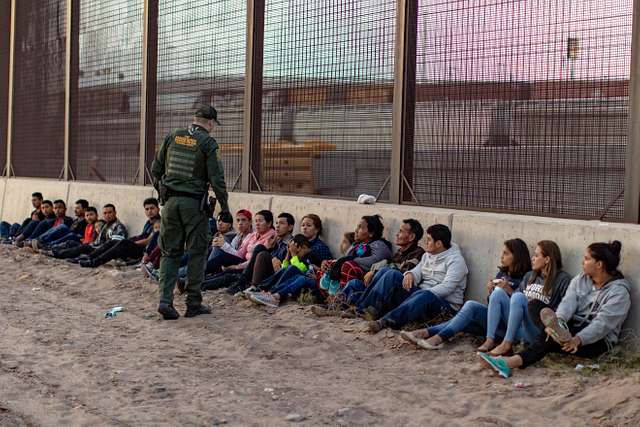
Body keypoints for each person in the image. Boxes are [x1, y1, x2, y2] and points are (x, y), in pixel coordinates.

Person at [479, 241, 632, 378]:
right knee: (534, 306)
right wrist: (559, 322)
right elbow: (567, 303)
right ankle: (557, 332)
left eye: (586, 259)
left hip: (596, 341)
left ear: (599, 264)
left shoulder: (619, 293)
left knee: (550, 337)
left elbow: (602, 325)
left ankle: (511, 362)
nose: (582, 262)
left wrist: (577, 339)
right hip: (570, 329)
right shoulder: (580, 279)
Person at [152, 104, 230, 320]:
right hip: (194, 206)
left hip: (170, 205)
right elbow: (217, 180)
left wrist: (163, 195)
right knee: (197, 253)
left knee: (169, 253)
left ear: (194, 118)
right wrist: (225, 208)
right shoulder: (208, 142)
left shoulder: (172, 136)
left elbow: (155, 170)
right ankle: (193, 303)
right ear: (211, 123)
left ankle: (165, 301)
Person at [400, 238, 531, 350]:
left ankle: (436, 338)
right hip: (493, 323)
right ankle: (425, 333)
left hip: (508, 328)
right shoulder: (502, 274)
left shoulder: (526, 277)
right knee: (465, 314)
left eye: (506, 253)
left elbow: (522, 307)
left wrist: (508, 290)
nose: (502, 256)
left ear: (517, 257)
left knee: (469, 309)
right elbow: (492, 304)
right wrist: (491, 291)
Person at [249, 215, 392, 308]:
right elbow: (341, 262)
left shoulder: (379, 245)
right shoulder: (356, 247)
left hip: (344, 286)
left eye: (361, 227)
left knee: (299, 275)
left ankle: (273, 295)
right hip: (326, 279)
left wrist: (335, 263)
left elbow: (366, 262)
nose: (356, 229)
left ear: (371, 233)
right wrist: (331, 263)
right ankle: (266, 291)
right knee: (294, 271)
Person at [364, 224, 468, 333]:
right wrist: (410, 274)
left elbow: (447, 288)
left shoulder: (456, 261)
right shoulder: (428, 255)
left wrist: (419, 294)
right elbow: (417, 272)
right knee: (392, 274)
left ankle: (387, 321)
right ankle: (365, 310)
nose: (425, 243)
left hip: (444, 306)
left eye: (428, 240)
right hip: (420, 297)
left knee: (425, 295)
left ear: (438, 244)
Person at [224, 212, 295, 295]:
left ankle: (251, 286)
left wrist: (273, 257)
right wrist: (269, 249)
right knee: (260, 248)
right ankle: (244, 283)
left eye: (282, 223)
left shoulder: (292, 243)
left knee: (260, 249)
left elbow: (284, 265)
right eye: (276, 223)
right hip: (261, 270)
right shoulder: (275, 240)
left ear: (290, 227)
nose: (277, 226)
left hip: (277, 275)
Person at [77, 198, 161, 268]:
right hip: (138, 247)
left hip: (145, 251)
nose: (149, 211)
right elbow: (143, 236)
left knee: (123, 242)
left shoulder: (159, 223)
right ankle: (90, 257)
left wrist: (131, 242)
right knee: (113, 241)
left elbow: (148, 241)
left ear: (158, 209)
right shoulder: (148, 223)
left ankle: (94, 262)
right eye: (147, 209)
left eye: (152, 208)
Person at [52, 204, 127, 260]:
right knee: (74, 244)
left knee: (83, 248)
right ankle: (56, 251)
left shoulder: (118, 226)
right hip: (96, 247)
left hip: (102, 251)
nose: (107, 215)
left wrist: (91, 246)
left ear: (115, 213)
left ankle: (58, 254)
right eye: (105, 213)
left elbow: (114, 245)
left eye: (110, 212)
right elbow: (97, 241)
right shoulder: (107, 225)